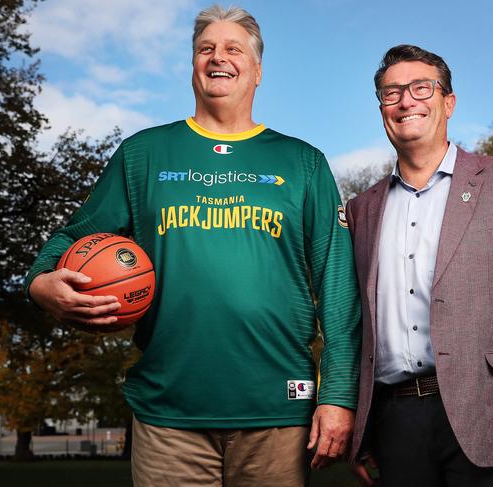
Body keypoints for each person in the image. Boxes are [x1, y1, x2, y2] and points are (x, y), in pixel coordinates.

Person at [26, 5, 361, 486]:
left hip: (278, 408)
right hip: (168, 412)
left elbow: (338, 285)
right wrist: (40, 284)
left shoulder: (303, 162)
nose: (217, 57)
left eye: (232, 48)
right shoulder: (144, 154)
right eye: (205, 48)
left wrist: (339, 394)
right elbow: (72, 236)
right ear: (192, 65)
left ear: (258, 69)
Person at [346, 45, 493, 487]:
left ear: (448, 102)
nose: (406, 101)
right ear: (382, 108)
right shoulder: (362, 209)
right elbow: (358, 328)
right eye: (391, 92)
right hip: (395, 426)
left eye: (421, 87)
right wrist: (362, 427)